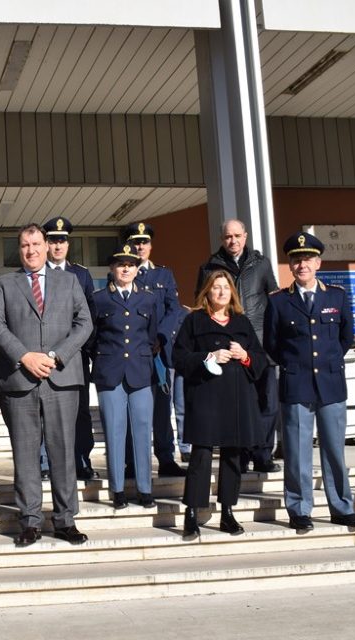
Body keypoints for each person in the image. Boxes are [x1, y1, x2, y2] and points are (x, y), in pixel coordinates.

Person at [0, 224, 93, 547]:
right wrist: (25, 357)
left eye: (36, 244)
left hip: (61, 378)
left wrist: (56, 356)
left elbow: (84, 323)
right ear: (18, 250)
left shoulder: (69, 280)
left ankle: (64, 520)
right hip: (21, 381)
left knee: (63, 452)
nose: (30, 250)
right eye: (24, 245)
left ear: (47, 246)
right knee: (26, 454)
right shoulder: (3, 284)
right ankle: (30, 521)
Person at [264, 231, 355, 533]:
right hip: (296, 384)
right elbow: (272, 343)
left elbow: (346, 336)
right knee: (296, 451)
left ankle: (342, 507)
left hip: (331, 385)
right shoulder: (279, 302)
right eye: (296, 260)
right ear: (290, 266)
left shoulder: (336, 296)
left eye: (307, 258)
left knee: (334, 449)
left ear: (318, 262)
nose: (302, 264)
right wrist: (294, 364)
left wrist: (329, 360)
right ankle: (299, 509)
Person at [174, 270, 268, 540]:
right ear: (207, 292)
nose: (221, 292)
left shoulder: (242, 322)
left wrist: (246, 355)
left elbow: (261, 360)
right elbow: (179, 358)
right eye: (216, 287)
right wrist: (208, 356)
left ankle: (227, 511)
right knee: (201, 456)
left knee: (232, 457)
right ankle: (192, 513)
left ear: (232, 293)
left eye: (225, 287)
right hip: (204, 397)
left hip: (237, 398)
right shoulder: (194, 321)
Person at [197, 219, 281, 474]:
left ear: (245, 236)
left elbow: (274, 301)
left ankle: (263, 455)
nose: (233, 241)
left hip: (260, 346)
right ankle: (240, 455)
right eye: (227, 237)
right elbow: (202, 307)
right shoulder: (209, 267)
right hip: (228, 347)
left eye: (237, 236)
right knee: (238, 405)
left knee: (268, 403)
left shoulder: (261, 264)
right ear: (221, 239)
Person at [90, 245, 162, 510]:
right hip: (110, 372)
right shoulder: (99, 299)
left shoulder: (148, 298)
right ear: (112, 268)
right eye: (120, 264)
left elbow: (152, 335)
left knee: (143, 431)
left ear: (137, 268)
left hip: (141, 372)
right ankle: (118, 489)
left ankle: (145, 489)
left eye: (130, 264)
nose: (126, 269)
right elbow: (91, 337)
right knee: (114, 431)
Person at [122, 222, 187, 478]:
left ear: (150, 245)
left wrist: (162, 336)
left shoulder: (163, 275)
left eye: (144, 242)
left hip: (159, 352)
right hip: (134, 352)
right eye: (136, 242)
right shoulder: (124, 272)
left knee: (162, 409)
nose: (140, 247)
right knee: (132, 410)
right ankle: (131, 462)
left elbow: (174, 309)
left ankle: (166, 458)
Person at [43, 216, 98, 481]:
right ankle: (45, 463)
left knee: (80, 412)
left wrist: (85, 349)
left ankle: (81, 460)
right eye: (53, 240)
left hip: (75, 356)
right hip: (44, 357)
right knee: (44, 411)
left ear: (68, 243)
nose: (57, 246)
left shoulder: (80, 274)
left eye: (62, 240)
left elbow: (89, 315)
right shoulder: (37, 273)